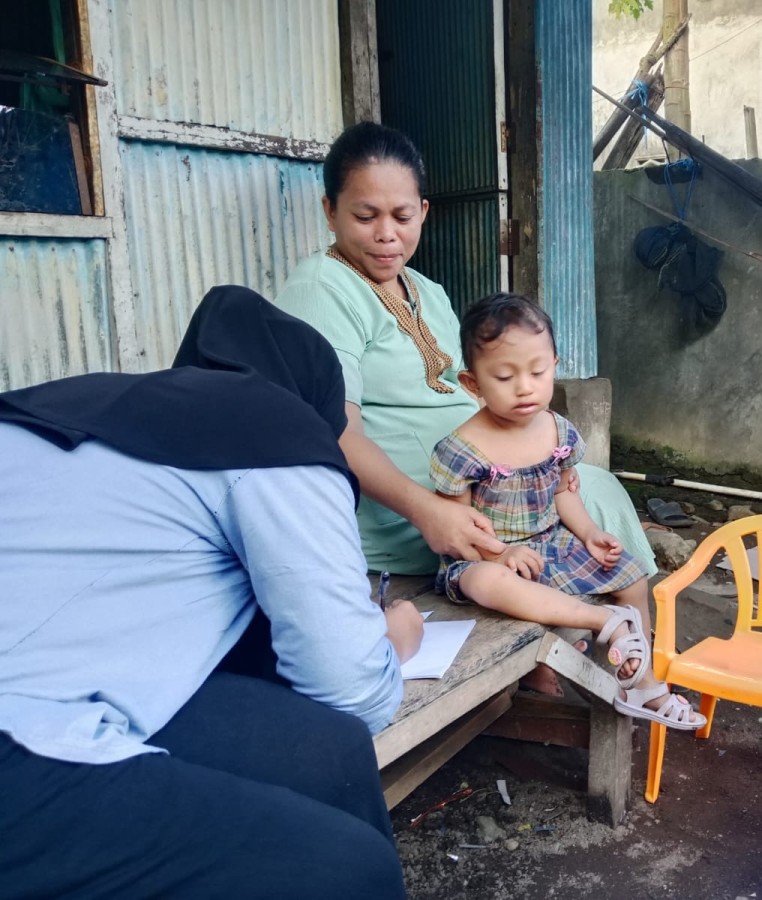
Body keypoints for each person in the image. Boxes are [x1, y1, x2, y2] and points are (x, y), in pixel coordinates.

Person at [0, 287, 423, 898]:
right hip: (25, 725)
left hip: (51, 674)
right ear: (318, 401)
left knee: (322, 750)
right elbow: (352, 690)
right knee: (347, 869)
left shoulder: (92, 406)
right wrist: (394, 641)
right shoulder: (279, 433)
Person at [272, 121, 655, 580]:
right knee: (583, 506)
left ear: (424, 211)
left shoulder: (427, 291)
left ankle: (626, 634)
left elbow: (473, 394)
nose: (386, 234)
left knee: (593, 487)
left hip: (494, 484)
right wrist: (429, 511)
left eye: (402, 215)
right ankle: (613, 634)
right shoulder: (321, 290)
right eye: (365, 216)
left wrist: (539, 453)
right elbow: (333, 431)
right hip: (418, 511)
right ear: (330, 211)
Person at [429, 293, 703, 729]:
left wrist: (591, 534)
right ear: (472, 384)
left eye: (537, 372)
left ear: (554, 364)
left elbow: (564, 496)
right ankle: (602, 621)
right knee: (484, 580)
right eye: (504, 376)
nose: (524, 387)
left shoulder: (558, 431)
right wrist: (499, 554)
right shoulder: (463, 448)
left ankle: (644, 681)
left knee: (630, 573)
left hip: (550, 545)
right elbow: (453, 530)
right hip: (486, 559)